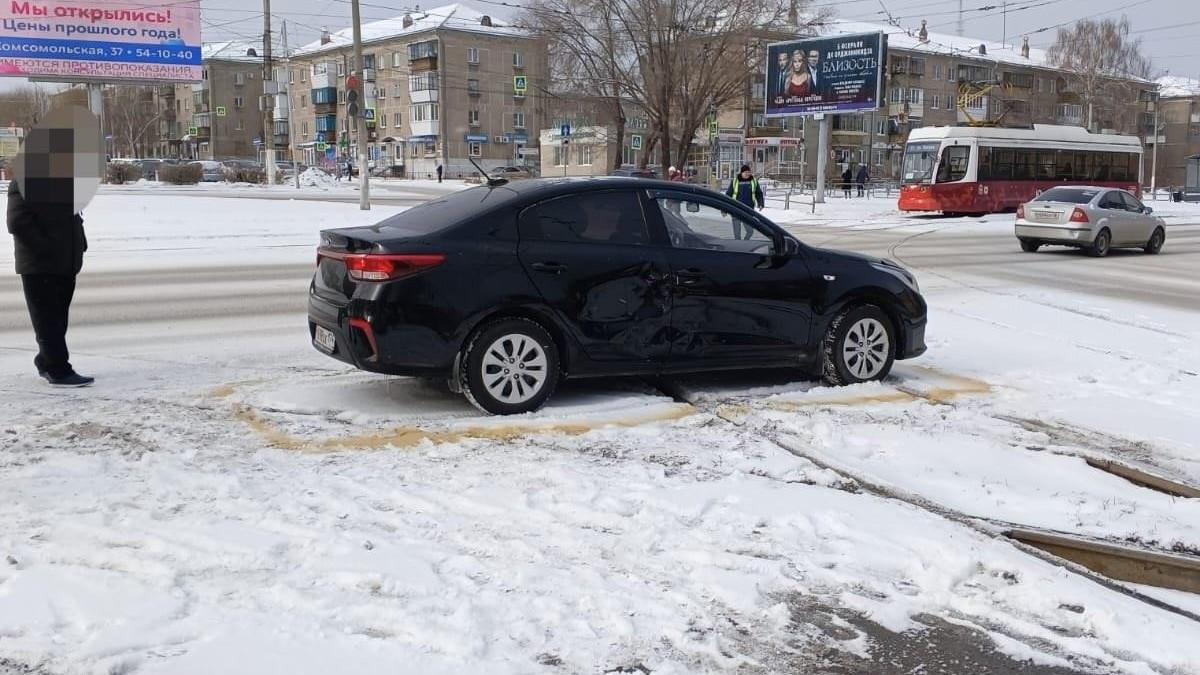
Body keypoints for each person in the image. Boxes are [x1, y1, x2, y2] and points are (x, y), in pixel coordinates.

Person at [7, 107, 99, 387]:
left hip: (66, 261)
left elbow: (72, 217)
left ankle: (47, 360)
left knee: (57, 319)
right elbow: (18, 222)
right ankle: (58, 369)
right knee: (48, 320)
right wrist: (45, 249)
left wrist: (79, 244)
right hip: (40, 263)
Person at [726, 164, 764, 239]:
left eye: (748, 172)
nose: (747, 174)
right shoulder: (735, 181)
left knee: (750, 231)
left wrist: (761, 203)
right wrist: (724, 209)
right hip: (735, 210)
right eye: (745, 172)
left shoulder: (754, 181)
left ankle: (744, 243)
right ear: (741, 173)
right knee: (737, 234)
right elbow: (728, 195)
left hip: (748, 210)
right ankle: (739, 247)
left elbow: (758, 193)